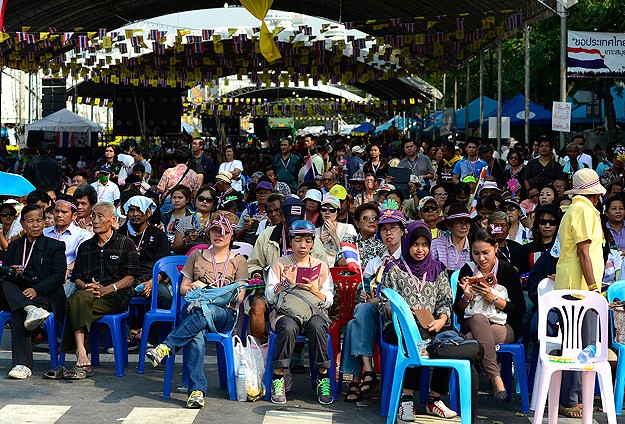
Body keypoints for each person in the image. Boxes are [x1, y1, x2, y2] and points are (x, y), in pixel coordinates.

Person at [145, 212, 247, 409]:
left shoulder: (238, 260)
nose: (219, 235)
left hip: (223, 313)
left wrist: (208, 289)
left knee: (203, 313)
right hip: (195, 309)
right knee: (197, 333)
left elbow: (239, 296)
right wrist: (193, 288)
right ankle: (196, 392)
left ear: (232, 235)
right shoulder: (196, 256)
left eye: (224, 232)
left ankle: (166, 346)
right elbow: (183, 289)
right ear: (208, 232)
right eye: (215, 230)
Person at [378, 221, 458, 420]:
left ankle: (434, 399)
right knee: (417, 339)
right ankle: (406, 400)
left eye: (425, 245)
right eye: (415, 244)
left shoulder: (438, 269)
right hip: (398, 325)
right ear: (407, 244)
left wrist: (441, 320)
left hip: (432, 323)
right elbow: (383, 302)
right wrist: (402, 313)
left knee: (448, 342)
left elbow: (445, 300)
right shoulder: (394, 268)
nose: (420, 250)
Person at [61, 201, 141, 377]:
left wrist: (108, 289)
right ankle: (81, 350)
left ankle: (80, 351)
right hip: (88, 294)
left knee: (73, 305)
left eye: (100, 216)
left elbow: (131, 277)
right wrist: (85, 285)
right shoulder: (85, 246)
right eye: (93, 216)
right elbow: (77, 277)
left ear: (112, 220)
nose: (95, 220)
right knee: (79, 298)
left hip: (115, 296)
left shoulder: (125, 243)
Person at [264, 220, 334, 405]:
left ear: (313, 243)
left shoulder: (321, 266)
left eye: (308, 241)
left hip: (312, 312)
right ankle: (278, 376)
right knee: (287, 328)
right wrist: (285, 283)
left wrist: (314, 290)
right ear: (291, 242)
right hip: (286, 311)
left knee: (318, 327)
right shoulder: (280, 264)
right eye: (298, 240)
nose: (303, 245)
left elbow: (329, 299)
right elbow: (269, 296)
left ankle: (323, 376)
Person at [554, 168, 605, 418]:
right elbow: (584, 253)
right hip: (580, 289)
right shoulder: (583, 210)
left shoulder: (576, 209)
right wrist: (594, 288)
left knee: (577, 344)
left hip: (575, 285)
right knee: (581, 345)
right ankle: (570, 400)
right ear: (595, 195)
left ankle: (575, 397)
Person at [342, 208, 405, 403]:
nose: (388, 233)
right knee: (361, 311)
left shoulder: (407, 259)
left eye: (393, 228)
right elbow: (366, 288)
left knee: (354, 324)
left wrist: (379, 300)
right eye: (384, 229)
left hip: (395, 317)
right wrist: (364, 294)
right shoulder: (376, 261)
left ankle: (357, 379)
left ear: (402, 231)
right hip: (373, 315)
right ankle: (367, 372)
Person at [454, 229, 525, 401]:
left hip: (504, 326)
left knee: (470, 340)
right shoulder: (467, 270)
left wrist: (492, 298)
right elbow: (458, 310)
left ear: (495, 248)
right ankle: (496, 378)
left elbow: (519, 310)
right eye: (476, 253)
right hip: (473, 322)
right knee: (478, 318)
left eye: (486, 252)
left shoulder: (507, 270)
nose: (481, 258)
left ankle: (473, 387)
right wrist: (466, 297)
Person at [0, 204, 66, 379]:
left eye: (39, 220)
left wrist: (37, 289)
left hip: (44, 294)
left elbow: (58, 277)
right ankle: (31, 310)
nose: (35, 225)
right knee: (5, 281)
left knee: (18, 311)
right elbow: (7, 272)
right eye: (30, 221)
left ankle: (22, 365)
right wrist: (12, 271)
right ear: (22, 224)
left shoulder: (55, 246)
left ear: (44, 222)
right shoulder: (14, 246)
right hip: (20, 293)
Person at [42, 195, 92, 297]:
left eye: (64, 212)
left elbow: (81, 258)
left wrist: (68, 269)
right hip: (43, 276)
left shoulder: (82, 235)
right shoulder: (44, 232)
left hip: (67, 279)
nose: (59, 215)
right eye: (56, 211)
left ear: (74, 215)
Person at [171, 187, 215, 254]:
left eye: (209, 200)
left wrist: (209, 234)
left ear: (213, 204)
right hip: (190, 256)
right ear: (195, 201)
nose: (204, 202)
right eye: (201, 199)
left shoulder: (218, 219)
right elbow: (175, 247)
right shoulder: (184, 221)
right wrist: (187, 240)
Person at [316, 195, 357, 265]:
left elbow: (349, 255)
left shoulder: (348, 228)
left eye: (332, 210)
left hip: (340, 268)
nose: (327, 212)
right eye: (324, 209)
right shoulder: (315, 231)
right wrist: (319, 242)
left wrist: (335, 236)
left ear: (338, 212)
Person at [430, 203, 472, 272]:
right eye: (459, 222)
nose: (464, 226)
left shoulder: (473, 246)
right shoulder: (436, 245)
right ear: (449, 226)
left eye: (467, 222)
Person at [236, 181, 272, 245]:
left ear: (271, 194)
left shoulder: (274, 211)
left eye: (265, 193)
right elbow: (237, 236)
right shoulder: (248, 211)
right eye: (259, 193)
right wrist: (244, 229)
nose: (262, 195)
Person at [352, 203, 385, 269]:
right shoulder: (349, 240)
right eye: (366, 218)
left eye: (375, 218)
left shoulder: (383, 245)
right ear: (357, 223)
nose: (371, 221)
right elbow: (341, 261)